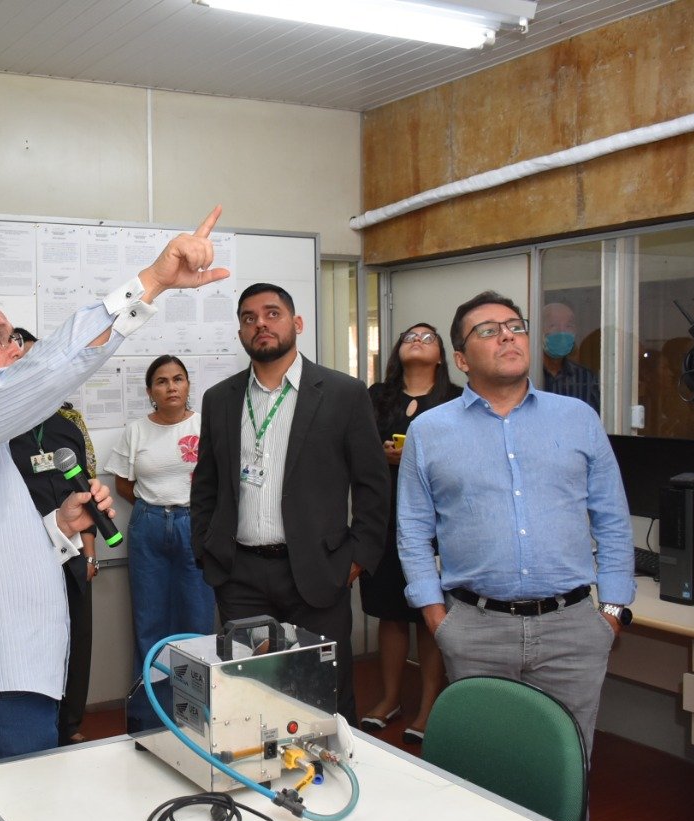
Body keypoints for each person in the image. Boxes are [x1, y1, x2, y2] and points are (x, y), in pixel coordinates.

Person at [0, 207, 228, 821]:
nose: (16, 348)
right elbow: (43, 372)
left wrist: (60, 526)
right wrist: (152, 281)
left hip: (3, 685)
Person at [397, 290, 635, 762]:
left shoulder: (578, 418)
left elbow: (612, 518)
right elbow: (412, 528)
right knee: (486, 768)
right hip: (475, 630)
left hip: (572, 631)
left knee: (566, 768)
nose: (507, 336)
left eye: (515, 326)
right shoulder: (429, 430)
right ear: (461, 359)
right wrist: (435, 616)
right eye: (488, 330)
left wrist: (611, 609)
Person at [191, 283, 390, 724]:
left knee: (324, 697)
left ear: (296, 323)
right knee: (251, 695)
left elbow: (373, 485)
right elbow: (205, 483)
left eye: (272, 313)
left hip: (318, 572)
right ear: (240, 333)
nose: (260, 324)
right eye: (248, 318)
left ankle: (337, 765)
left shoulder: (342, 393)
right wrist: (207, 551)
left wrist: (356, 559)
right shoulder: (220, 399)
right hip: (240, 576)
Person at [359, 324, 461, 744]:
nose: (417, 341)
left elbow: (464, 458)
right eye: (409, 337)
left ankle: (430, 705)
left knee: (429, 611)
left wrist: (415, 457)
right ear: (397, 351)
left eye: (427, 338)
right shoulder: (376, 396)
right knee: (390, 612)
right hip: (384, 519)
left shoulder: (456, 400)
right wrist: (381, 455)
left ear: (441, 356)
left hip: (439, 523)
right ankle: (390, 699)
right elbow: (355, 448)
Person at [8, 328, 99, 746]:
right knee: (35, 646)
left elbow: (87, 488)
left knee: (77, 642)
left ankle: (69, 726)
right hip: (24, 557)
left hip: (73, 553)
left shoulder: (67, 425)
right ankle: (39, 731)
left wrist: (90, 553)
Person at [104, 354, 215, 672]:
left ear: (188, 385)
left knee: (197, 616)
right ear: (150, 391)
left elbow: (219, 482)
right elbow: (123, 484)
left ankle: (195, 697)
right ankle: (151, 698)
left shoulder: (205, 426)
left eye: (178, 379)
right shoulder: (136, 430)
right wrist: (156, 507)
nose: (171, 387)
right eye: (162, 382)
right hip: (148, 526)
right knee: (149, 618)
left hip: (194, 525)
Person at [541, 301, 600, 411]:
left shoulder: (586, 378)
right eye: (553, 325)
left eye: (568, 326)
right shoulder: (525, 375)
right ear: (538, 330)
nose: (562, 332)